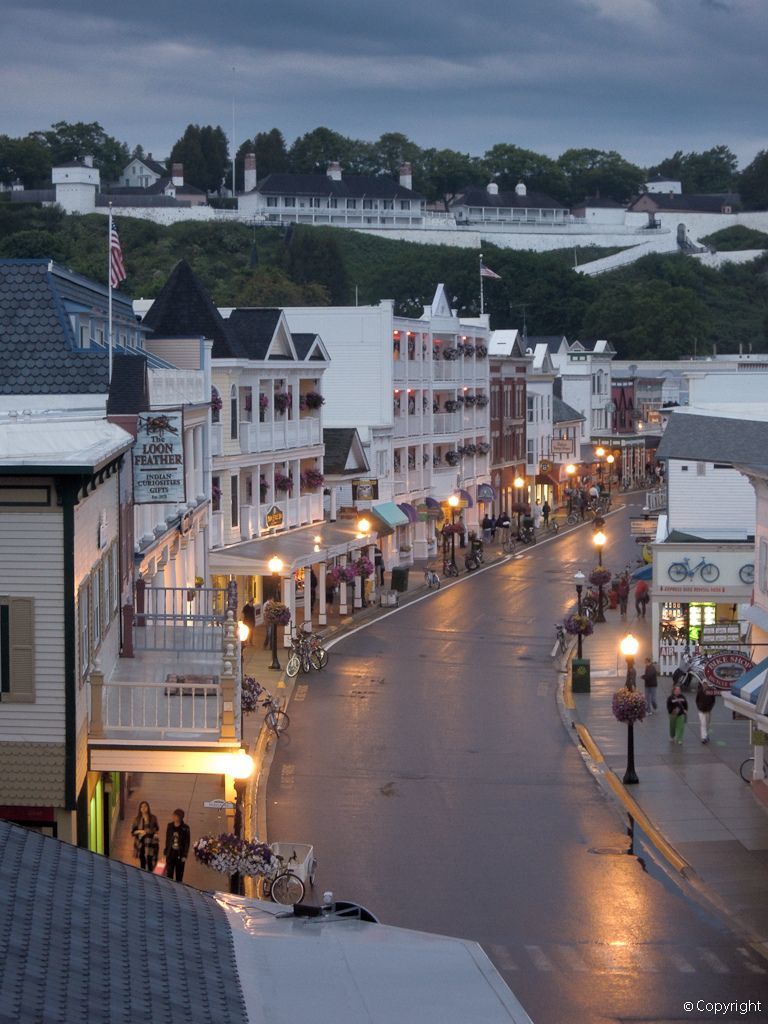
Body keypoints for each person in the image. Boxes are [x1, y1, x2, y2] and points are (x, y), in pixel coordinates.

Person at [131, 800, 160, 871]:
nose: (143, 808)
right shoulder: (137, 819)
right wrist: (140, 831)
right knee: (142, 859)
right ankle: (143, 874)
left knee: (150, 860)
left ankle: (150, 874)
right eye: (142, 807)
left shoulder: (153, 818)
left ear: (148, 808)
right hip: (140, 842)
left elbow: (156, 829)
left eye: (145, 806)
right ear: (140, 809)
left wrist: (147, 832)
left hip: (151, 842)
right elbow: (133, 832)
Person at [164, 808, 191, 882]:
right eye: (173, 815)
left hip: (180, 854)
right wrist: (166, 851)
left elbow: (187, 842)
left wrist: (185, 855)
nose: (174, 817)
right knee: (169, 873)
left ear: (180, 817)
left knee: (179, 875)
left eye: (176, 816)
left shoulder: (185, 828)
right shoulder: (170, 826)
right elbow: (168, 839)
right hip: (171, 853)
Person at [695, 679, 717, 744]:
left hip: (708, 711)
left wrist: (710, 708)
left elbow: (713, 701)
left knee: (707, 724)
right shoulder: (700, 691)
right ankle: (703, 737)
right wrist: (699, 707)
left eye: (706, 684)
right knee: (703, 724)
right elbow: (697, 700)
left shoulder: (711, 691)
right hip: (701, 711)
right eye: (704, 684)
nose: (705, 685)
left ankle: (706, 735)